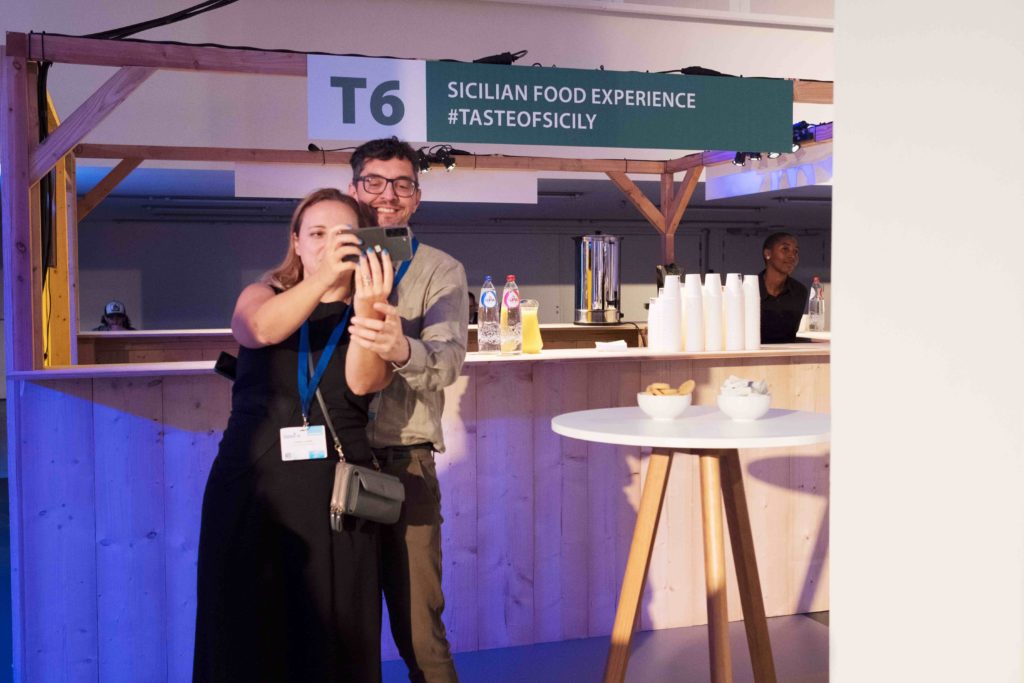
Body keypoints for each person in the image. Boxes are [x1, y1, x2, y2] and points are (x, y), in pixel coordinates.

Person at [194, 189, 394, 682]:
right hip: (253, 485)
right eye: (317, 234)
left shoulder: (373, 310)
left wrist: (368, 307)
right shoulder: (261, 295)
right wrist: (322, 278)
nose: (329, 244)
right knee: (244, 630)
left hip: (338, 495)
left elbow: (363, 383)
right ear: (296, 243)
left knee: (334, 635)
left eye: (343, 234)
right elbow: (259, 330)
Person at [347, 138, 468, 683]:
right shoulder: (325, 264)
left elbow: (446, 365)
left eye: (401, 184)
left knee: (420, 625)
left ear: (416, 197)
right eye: (374, 181)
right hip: (331, 457)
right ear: (354, 189)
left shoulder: (440, 269)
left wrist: (400, 348)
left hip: (405, 460)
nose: (387, 195)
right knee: (340, 618)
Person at [758, 231, 808, 343]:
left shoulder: (799, 292)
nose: (792, 256)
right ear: (767, 253)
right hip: (752, 352)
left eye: (796, 251)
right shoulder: (748, 289)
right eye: (785, 249)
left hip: (787, 353)